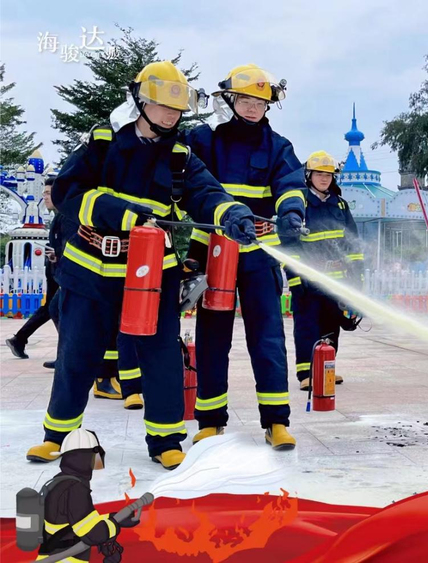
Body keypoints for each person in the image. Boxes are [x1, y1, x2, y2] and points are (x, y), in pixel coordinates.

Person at [26, 61, 257, 470]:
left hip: (151, 272)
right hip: (90, 266)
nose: (171, 116)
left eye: (177, 110)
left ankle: (165, 439)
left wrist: (232, 213)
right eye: (163, 106)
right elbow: (67, 193)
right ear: (140, 102)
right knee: (77, 354)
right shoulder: (103, 141)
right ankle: (56, 436)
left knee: (161, 356)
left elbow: (207, 194)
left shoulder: (180, 155)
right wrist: (122, 213)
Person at [183, 64, 305, 450]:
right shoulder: (203, 140)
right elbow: (188, 187)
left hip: (258, 254)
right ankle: (210, 421)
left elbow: (290, 185)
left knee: (268, 339)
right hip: (212, 250)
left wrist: (291, 213)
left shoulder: (278, 147)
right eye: (246, 100)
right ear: (230, 100)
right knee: (212, 339)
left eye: (260, 102)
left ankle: (276, 421)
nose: (253, 108)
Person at [286, 151, 364, 391]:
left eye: (328, 175)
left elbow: (352, 243)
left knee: (331, 325)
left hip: (336, 280)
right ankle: (306, 374)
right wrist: (296, 278)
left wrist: (357, 276)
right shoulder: (299, 203)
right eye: (319, 173)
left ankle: (325, 369)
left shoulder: (339, 205)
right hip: (308, 280)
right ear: (308, 175)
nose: (324, 178)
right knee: (307, 326)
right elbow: (288, 245)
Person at [34, 429, 140, 563]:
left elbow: (77, 521)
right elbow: (93, 534)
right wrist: (114, 525)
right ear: (86, 457)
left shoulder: (58, 482)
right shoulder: (75, 489)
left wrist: (113, 517)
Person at [6, 178, 64, 366]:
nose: (45, 197)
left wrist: (58, 254)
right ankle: (21, 339)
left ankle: (21, 339)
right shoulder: (58, 216)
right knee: (53, 308)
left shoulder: (67, 216)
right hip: (54, 269)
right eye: (44, 193)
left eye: (48, 193)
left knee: (55, 308)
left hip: (63, 270)